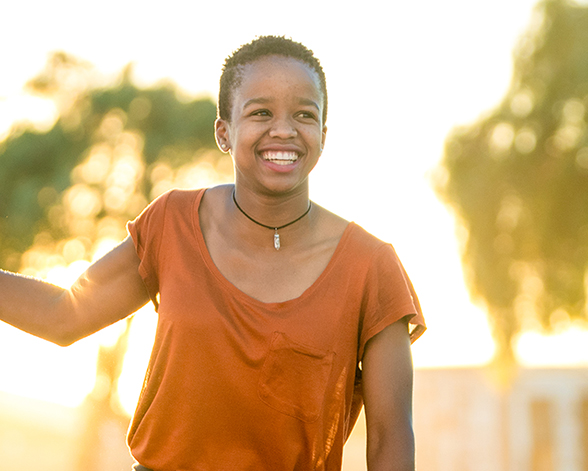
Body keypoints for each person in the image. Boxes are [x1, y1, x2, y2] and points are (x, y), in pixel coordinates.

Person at [0, 36, 425, 471]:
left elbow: (391, 438)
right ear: (223, 131)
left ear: (323, 135)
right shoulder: (172, 223)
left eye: (304, 115)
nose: (284, 129)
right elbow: (63, 316)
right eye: (261, 112)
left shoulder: (372, 267)